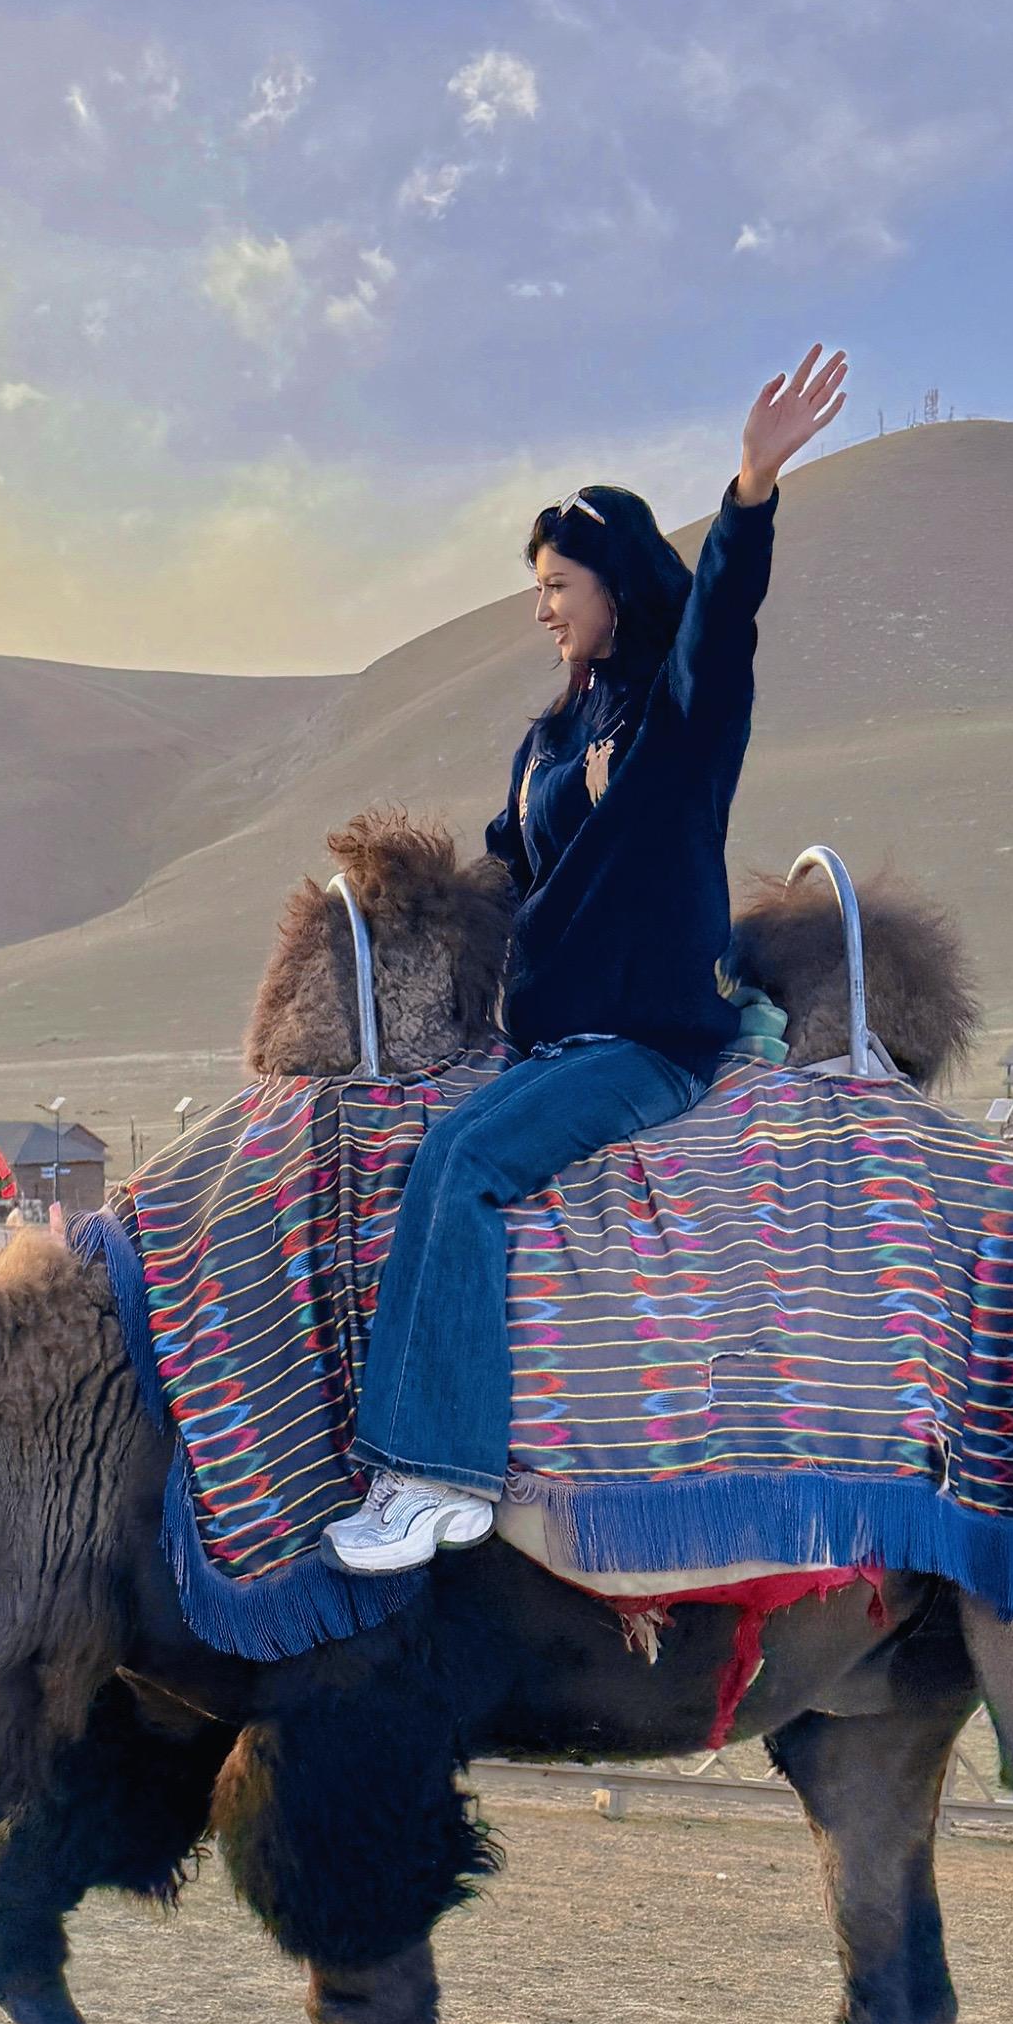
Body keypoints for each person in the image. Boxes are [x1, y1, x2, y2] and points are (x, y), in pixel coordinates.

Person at [325, 345, 847, 1573]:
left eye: (558, 584)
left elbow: (718, 622)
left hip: (646, 1040)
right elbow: (507, 859)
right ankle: (401, 1461)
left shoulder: (680, 716)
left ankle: (440, 1479)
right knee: (424, 1146)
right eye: (538, 588)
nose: (542, 608)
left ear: (614, 585)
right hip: (554, 1038)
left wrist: (751, 489)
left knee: (465, 1165)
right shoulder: (554, 734)